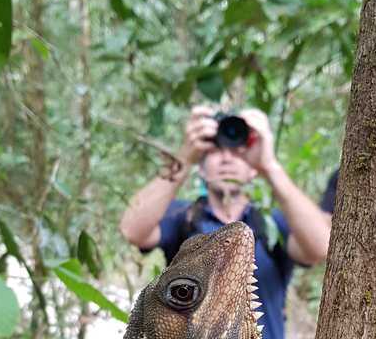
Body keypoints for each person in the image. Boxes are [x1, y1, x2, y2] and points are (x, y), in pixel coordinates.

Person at [119, 106, 332, 339]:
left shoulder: (272, 223)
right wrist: (184, 157)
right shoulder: (182, 215)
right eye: (215, 149)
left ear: (253, 169)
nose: (227, 157)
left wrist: (270, 166)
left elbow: (324, 246)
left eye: (239, 149)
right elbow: (132, 229)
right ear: (201, 166)